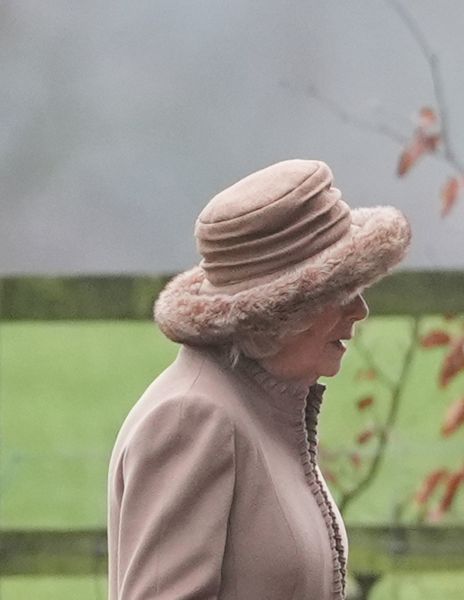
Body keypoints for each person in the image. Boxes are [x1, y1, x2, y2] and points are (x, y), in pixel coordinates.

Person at [107, 159, 411, 599]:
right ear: (281, 312)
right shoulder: (192, 418)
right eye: (340, 292)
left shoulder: (264, 406)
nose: (359, 310)